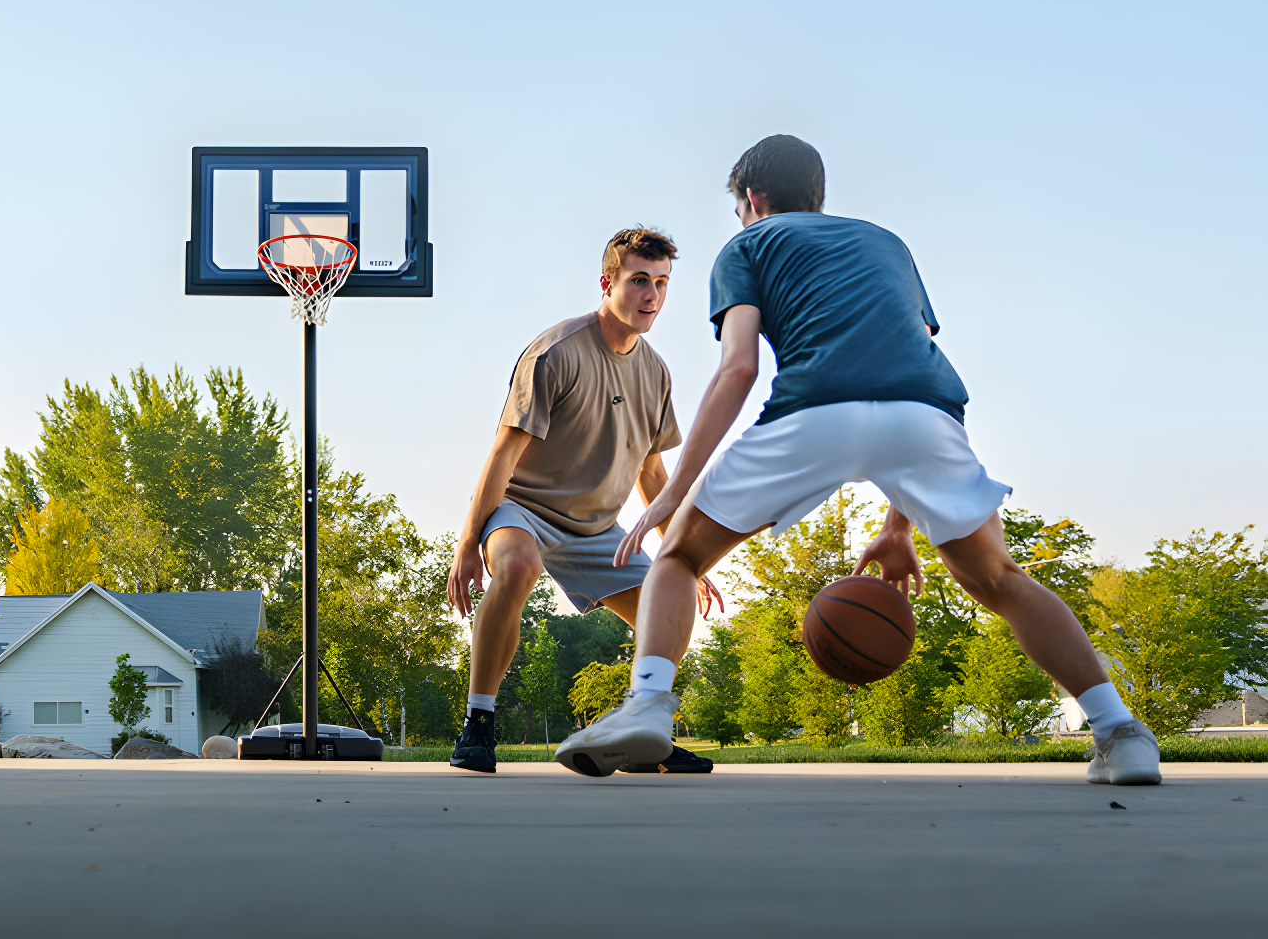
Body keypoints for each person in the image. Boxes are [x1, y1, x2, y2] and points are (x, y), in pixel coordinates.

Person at [554, 135, 1160, 787]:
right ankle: (1120, 732)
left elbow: (738, 367)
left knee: (677, 558)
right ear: (818, 195)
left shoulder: (748, 246)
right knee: (1001, 579)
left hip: (816, 407)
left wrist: (675, 495)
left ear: (752, 200)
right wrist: (900, 525)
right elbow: (910, 353)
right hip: (927, 413)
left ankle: (648, 707)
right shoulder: (886, 244)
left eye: (738, 209)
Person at [446, 227, 723, 775]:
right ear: (607, 282)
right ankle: (478, 724)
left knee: (674, 601)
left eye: (662, 284)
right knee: (519, 566)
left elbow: (651, 472)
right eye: (639, 280)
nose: (652, 296)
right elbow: (502, 455)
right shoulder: (557, 352)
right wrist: (466, 544)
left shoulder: (656, 372)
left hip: (596, 528)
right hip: (523, 509)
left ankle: (643, 730)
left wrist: (684, 553)